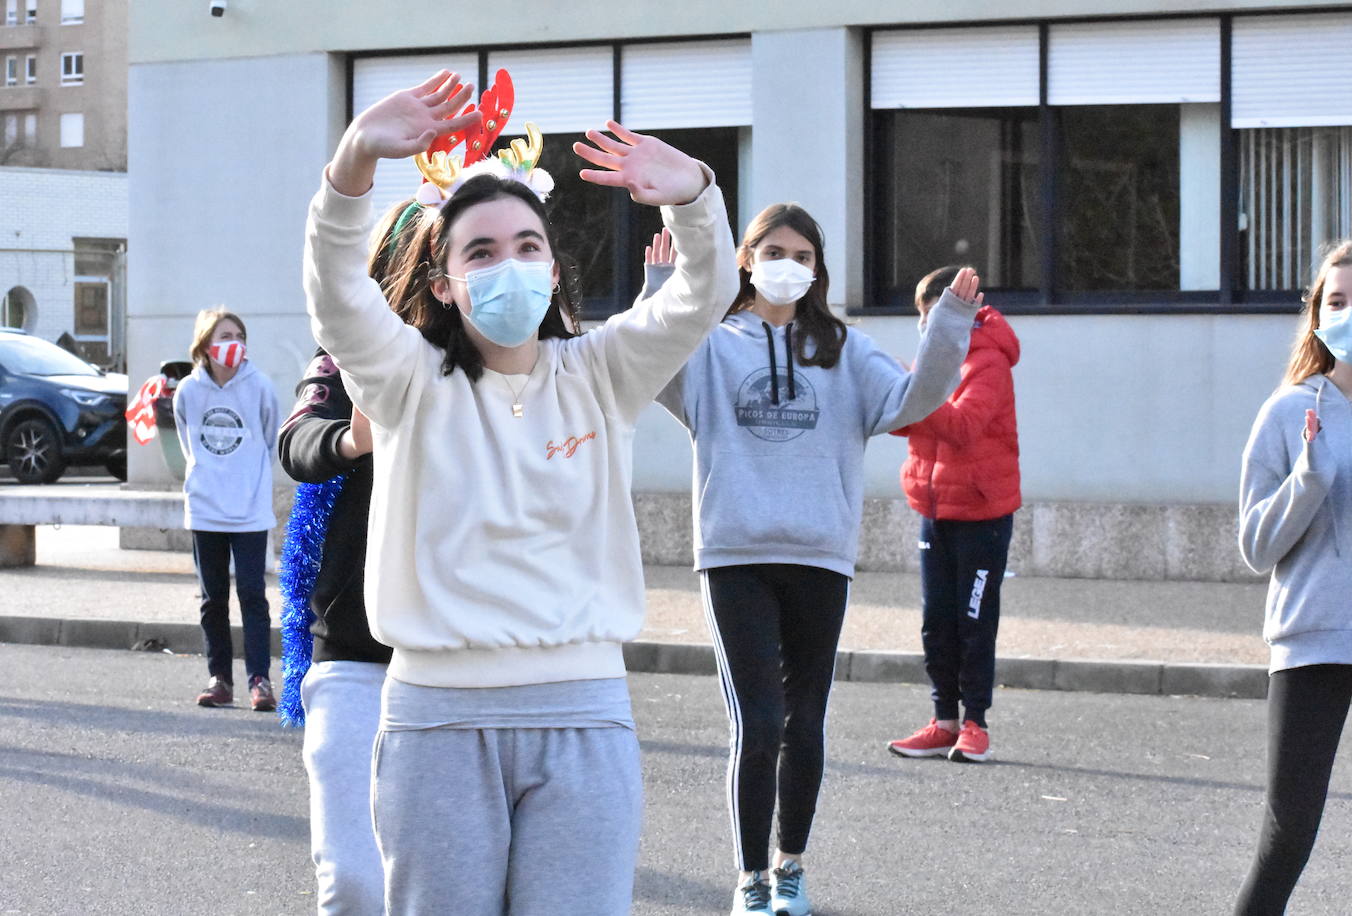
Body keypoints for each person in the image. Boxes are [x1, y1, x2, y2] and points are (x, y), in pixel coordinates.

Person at [302, 70, 737, 915]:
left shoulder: (604, 372)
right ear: (442, 283)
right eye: (482, 252)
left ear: (553, 265)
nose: (511, 266)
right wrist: (353, 159)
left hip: (585, 717)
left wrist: (695, 196)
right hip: (435, 719)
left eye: (528, 246)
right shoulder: (405, 384)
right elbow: (335, 294)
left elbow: (702, 294)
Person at [643, 207, 977, 914]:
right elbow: (646, 366)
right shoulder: (710, 346)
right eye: (772, 251)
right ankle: (751, 879)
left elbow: (915, 399)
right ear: (746, 260)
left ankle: (789, 866)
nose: (786, 263)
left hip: (820, 558)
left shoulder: (847, 351)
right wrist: (660, 289)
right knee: (758, 724)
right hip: (735, 557)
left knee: (806, 722)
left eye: (800, 253)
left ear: (817, 268)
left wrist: (948, 327)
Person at [277, 198, 423, 915]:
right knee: (356, 884)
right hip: (354, 652)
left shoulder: (493, 363)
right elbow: (299, 441)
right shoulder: (346, 357)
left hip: (460, 661)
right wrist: (350, 439)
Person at [1234, 235, 1352, 915]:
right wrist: (1308, 480)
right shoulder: (1288, 413)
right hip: (1311, 637)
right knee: (1288, 832)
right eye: (1338, 300)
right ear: (1316, 313)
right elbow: (1257, 548)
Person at [885, 265, 1021, 764]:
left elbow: (962, 428)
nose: (926, 326)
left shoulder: (988, 362)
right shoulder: (935, 361)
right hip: (934, 508)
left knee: (973, 620)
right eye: (921, 316)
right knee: (934, 620)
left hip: (982, 514)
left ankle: (975, 723)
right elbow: (910, 425)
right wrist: (903, 396)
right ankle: (942, 721)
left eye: (933, 314)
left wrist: (913, 391)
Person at [172, 307, 280, 711]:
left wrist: (246, 478)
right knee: (212, 598)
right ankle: (219, 678)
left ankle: (260, 681)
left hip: (249, 509)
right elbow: (188, 443)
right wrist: (208, 476)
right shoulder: (188, 391)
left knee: (253, 595)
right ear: (205, 345)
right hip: (205, 509)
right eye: (224, 335)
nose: (233, 343)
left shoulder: (261, 387)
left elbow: (268, 440)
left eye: (239, 334)